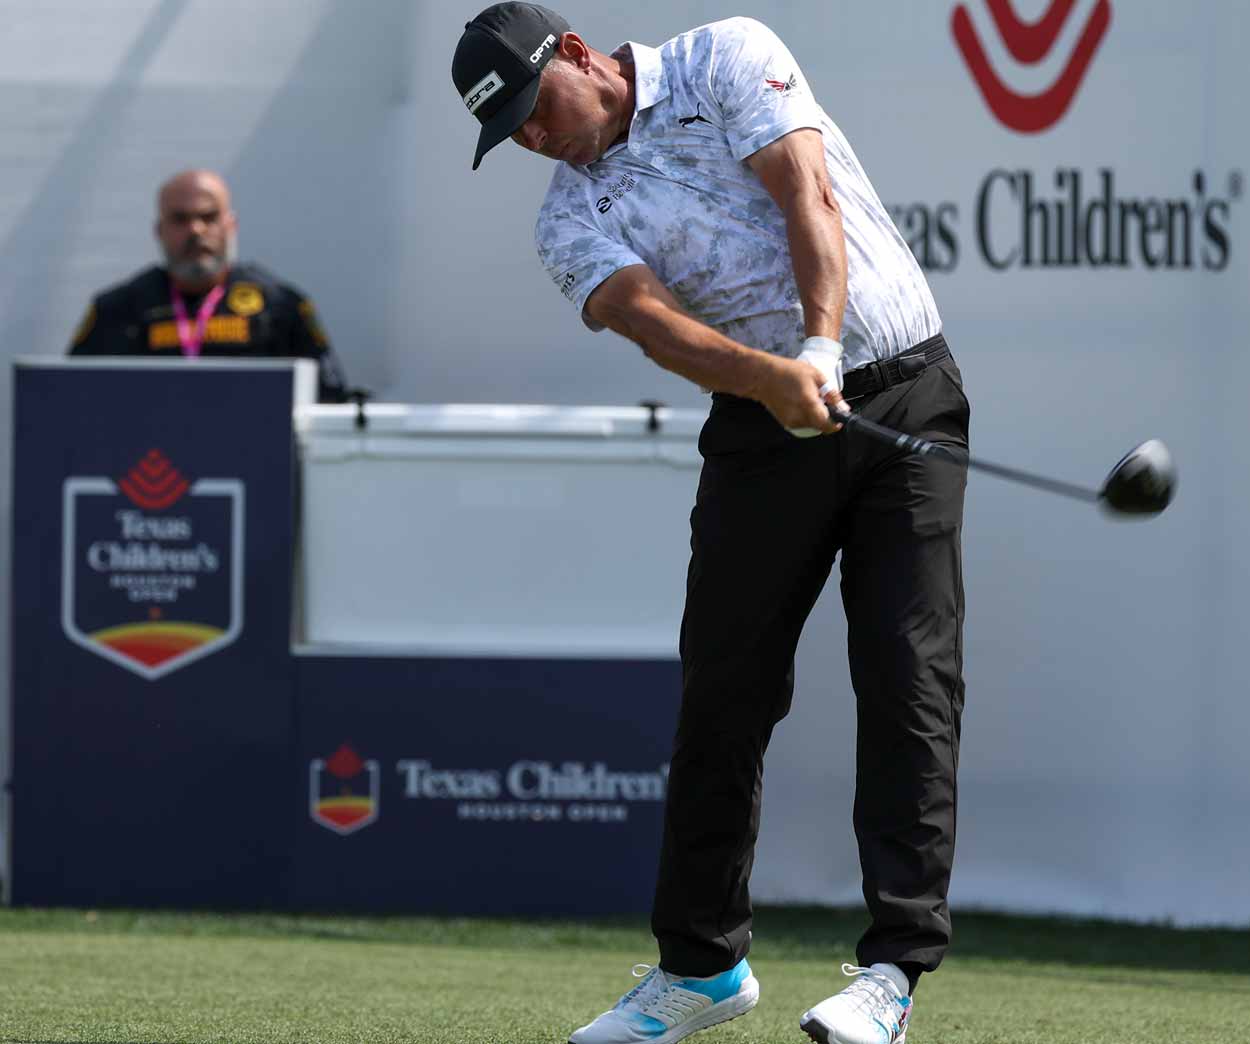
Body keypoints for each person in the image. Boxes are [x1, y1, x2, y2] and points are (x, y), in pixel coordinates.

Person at [452, 6, 965, 1042]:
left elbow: (803, 192)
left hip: (902, 390)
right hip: (759, 431)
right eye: (508, 131)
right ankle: (699, 969)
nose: (531, 140)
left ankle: (891, 974)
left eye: (530, 109)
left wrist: (816, 353)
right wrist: (773, 383)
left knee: (906, 677)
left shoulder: (727, 53)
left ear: (579, 56)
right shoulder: (564, 217)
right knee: (723, 694)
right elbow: (653, 323)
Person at [69, 169, 353, 403]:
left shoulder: (280, 306)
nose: (196, 230)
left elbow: (329, 405)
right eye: (180, 219)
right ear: (159, 230)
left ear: (231, 225)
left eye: (208, 217)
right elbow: (68, 399)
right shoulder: (118, 309)